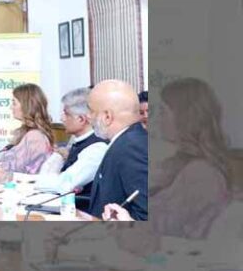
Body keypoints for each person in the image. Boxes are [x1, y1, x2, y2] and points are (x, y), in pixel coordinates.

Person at [104, 78, 231, 239]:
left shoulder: (202, 173)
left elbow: (170, 231)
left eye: (163, 112)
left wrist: (128, 222)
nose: (155, 119)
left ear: (185, 118)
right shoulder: (175, 163)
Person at [87, 80, 148, 220]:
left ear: (107, 116)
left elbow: (146, 214)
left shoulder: (132, 147)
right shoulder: (125, 141)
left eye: (91, 111)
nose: (88, 117)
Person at [36, 87, 108, 198]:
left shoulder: (97, 148)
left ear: (81, 119)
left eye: (66, 114)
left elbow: (64, 183)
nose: (62, 118)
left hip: (83, 211)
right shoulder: (77, 142)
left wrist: (25, 181)